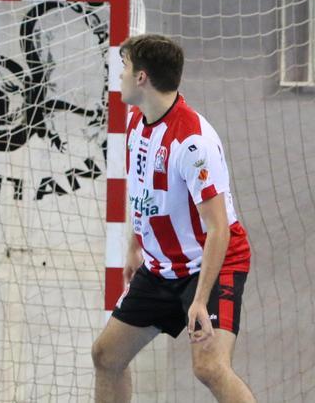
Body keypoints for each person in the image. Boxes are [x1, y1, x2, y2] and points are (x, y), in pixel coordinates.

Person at [91, 34, 254, 403]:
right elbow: (143, 192)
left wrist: (199, 299)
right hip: (163, 268)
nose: (119, 77)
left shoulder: (193, 142)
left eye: (125, 69)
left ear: (142, 78)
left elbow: (219, 229)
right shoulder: (136, 122)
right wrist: (136, 246)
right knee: (106, 356)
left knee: (209, 367)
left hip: (213, 263)